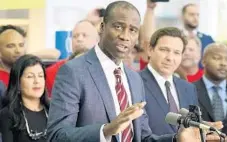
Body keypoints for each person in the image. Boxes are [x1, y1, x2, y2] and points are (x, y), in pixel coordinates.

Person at [47, 1, 202, 142]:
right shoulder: (73, 71)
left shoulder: (134, 79)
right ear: (102, 27)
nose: (125, 36)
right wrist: (106, 130)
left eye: (133, 30)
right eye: (118, 26)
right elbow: (56, 135)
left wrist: (176, 139)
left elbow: (144, 137)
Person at [139, 27, 198, 135]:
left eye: (176, 52)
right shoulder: (135, 82)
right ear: (150, 50)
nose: (170, 58)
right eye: (164, 50)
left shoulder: (189, 88)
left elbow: (193, 127)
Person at [0, 54, 49, 142]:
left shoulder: (54, 110)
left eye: (41, 76)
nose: (37, 81)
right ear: (18, 82)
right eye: (30, 76)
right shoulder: (8, 115)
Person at [45, 20, 99, 96]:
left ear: (97, 40)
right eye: (75, 36)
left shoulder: (106, 69)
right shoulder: (53, 71)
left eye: (84, 35)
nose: (79, 39)